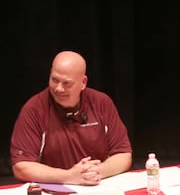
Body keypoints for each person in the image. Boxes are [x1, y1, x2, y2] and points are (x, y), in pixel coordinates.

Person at [10, 50, 132, 185]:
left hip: (97, 188)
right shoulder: (34, 109)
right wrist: (69, 177)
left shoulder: (101, 103)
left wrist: (97, 171)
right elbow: (21, 167)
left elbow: (124, 155)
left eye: (66, 83)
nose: (59, 88)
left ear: (83, 82)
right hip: (54, 192)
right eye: (54, 80)